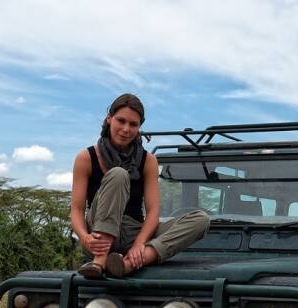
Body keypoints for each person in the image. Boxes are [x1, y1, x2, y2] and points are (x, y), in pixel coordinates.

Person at [71, 93, 210, 279]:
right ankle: (100, 261)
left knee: (201, 219)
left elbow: (153, 213)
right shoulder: (86, 158)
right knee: (119, 174)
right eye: (121, 121)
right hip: (97, 235)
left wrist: (139, 244)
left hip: (133, 233)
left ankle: (130, 263)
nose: (126, 129)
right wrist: (85, 238)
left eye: (133, 124)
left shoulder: (148, 160)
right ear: (109, 118)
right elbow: (77, 209)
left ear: (139, 127)